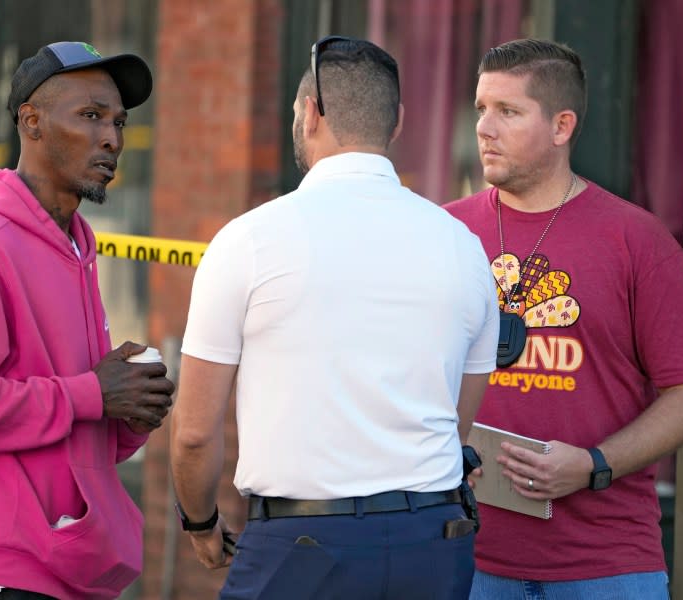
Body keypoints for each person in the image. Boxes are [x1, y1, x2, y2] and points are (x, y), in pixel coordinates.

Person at [169, 35, 498, 599]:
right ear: (395, 122)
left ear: (310, 111)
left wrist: (200, 523)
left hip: (301, 547)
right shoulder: (464, 247)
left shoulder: (248, 240)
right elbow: (456, 417)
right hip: (433, 540)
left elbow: (196, 433)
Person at [443, 38, 683, 599]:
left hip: (608, 567)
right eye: (481, 109)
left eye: (508, 111)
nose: (485, 128)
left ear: (562, 126)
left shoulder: (637, 240)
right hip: (462, 555)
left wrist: (594, 464)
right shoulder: (443, 233)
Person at [0, 41, 175, 600]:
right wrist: (91, 394)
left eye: (119, 122)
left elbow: (78, 422)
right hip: (4, 570)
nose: (112, 138)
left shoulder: (76, 246)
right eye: (90, 115)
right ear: (31, 123)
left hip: (76, 562)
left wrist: (131, 411)